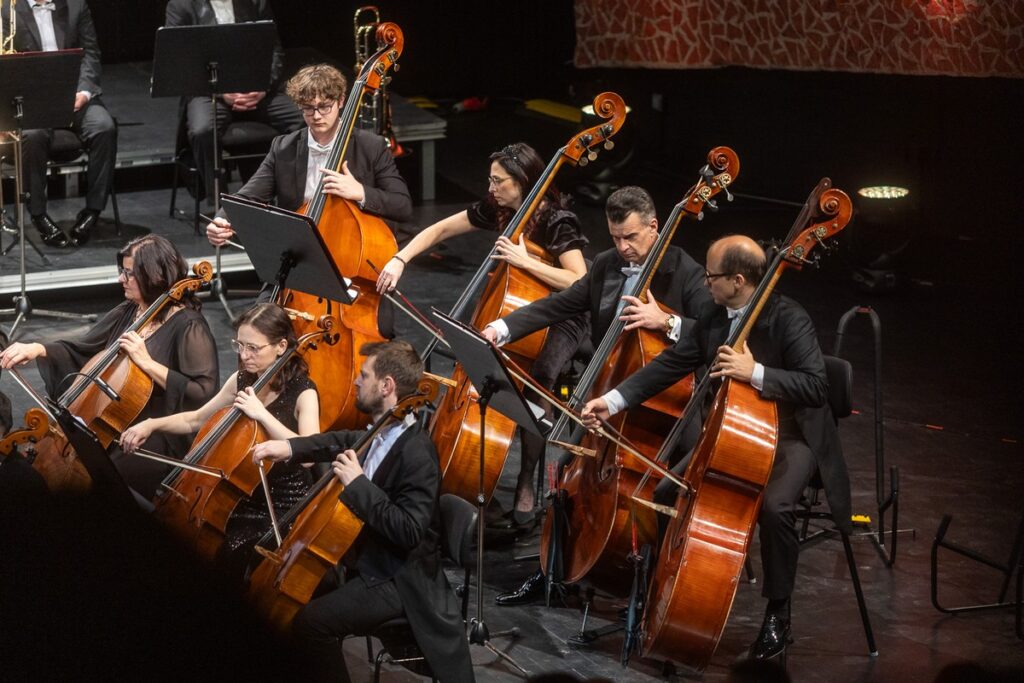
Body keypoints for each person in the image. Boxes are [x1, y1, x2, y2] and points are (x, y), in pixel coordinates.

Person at [582, 235, 852, 662]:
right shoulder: (712, 313)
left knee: (776, 508)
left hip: (791, 434)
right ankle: (661, 595)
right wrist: (613, 401)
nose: (704, 283)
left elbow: (817, 386)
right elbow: (670, 365)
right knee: (664, 492)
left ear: (739, 280)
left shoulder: (789, 318)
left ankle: (778, 615)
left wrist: (756, 371)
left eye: (711, 276)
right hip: (731, 430)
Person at [480, 185, 712, 606]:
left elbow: (717, 335)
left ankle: (653, 588)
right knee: (565, 477)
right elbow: (560, 304)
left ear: (655, 228)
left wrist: (668, 322)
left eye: (632, 238)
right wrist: (503, 328)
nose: (623, 247)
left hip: (670, 411)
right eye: (616, 237)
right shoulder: (606, 266)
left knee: (658, 494)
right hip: (609, 404)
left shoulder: (687, 272)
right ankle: (549, 572)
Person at [377, 141, 587, 525]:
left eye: (498, 181)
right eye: (490, 180)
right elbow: (441, 229)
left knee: (537, 381)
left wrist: (526, 261)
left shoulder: (557, 219)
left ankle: (526, 483)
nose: (490, 189)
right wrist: (400, 257)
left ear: (523, 181)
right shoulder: (501, 208)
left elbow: (579, 281)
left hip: (563, 315)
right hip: (516, 309)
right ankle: (467, 471)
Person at [251, 341, 474, 683]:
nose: (355, 381)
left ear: (387, 386)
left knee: (312, 624)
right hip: (363, 561)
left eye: (364, 375)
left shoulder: (417, 453)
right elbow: (339, 440)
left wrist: (358, 484)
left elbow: (410, 531)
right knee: (288, 594)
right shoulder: (385, 429)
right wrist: (288, 447)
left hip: (396, 578)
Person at [0, 235, 219, 498]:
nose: (121, 279)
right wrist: (38, 348)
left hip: (156, 432)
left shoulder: (189, 325)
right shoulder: (131, 310)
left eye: (129, 273)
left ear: (154, 275)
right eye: (122, 271)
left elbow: (203, 392)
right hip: (110, 418)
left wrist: (147, 363)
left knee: (105, 478)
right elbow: (86, 350)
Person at [120, 302, 318, 577]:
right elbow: (196, 419)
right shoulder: (242, 379)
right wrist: (152, 425)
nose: (244, 355)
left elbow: (310, 457)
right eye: (240, 344)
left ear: (281, 346)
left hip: (280, 504)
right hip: (239, 492)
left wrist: (261, 414)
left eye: (253, 348)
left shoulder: (303, 391)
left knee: (226, 552)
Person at [205, 62, 412, 250]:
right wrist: (221, 220)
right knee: (268, 294)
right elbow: (247, 197)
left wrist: (360, 192)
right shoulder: (284, 147)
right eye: (308, 108)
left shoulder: (371, 146)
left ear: (340, 101)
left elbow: (402, 205)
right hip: (301, 251)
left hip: (352, 249)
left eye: (324, 106)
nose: (316, 115)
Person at [164, 0, 304, 206]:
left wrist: (262, 87)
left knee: (304, 118)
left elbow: (274, 50)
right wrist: (222, 92)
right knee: (202, 130)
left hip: (255, 90)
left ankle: (293, 195)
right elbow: (179, 60)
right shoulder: (183, 5)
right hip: (209, 92)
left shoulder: (254, 2)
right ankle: (221, 204)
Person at [1, 0, 116, 247]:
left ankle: (92, 211)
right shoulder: (7, 9)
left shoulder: (76, 5)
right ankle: (39, 214)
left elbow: (91, 53)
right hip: (32, 100)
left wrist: (84, 92)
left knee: (104, 127)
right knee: (32, 135)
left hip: (74, 96)